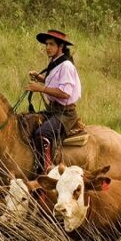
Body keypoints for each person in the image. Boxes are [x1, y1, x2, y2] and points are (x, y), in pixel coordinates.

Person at [27, 29, 82, 173]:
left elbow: (65, 93)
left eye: (51, 44)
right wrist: (40, 79)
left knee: (42, 133)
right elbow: (57, 83)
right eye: (46, 44)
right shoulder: (55, 62)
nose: (47, 47)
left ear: (60, 47)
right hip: (53, 110)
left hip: (65, 113)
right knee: (26, 121)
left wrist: (40, 88)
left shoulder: (66, 66)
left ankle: (46, 170)